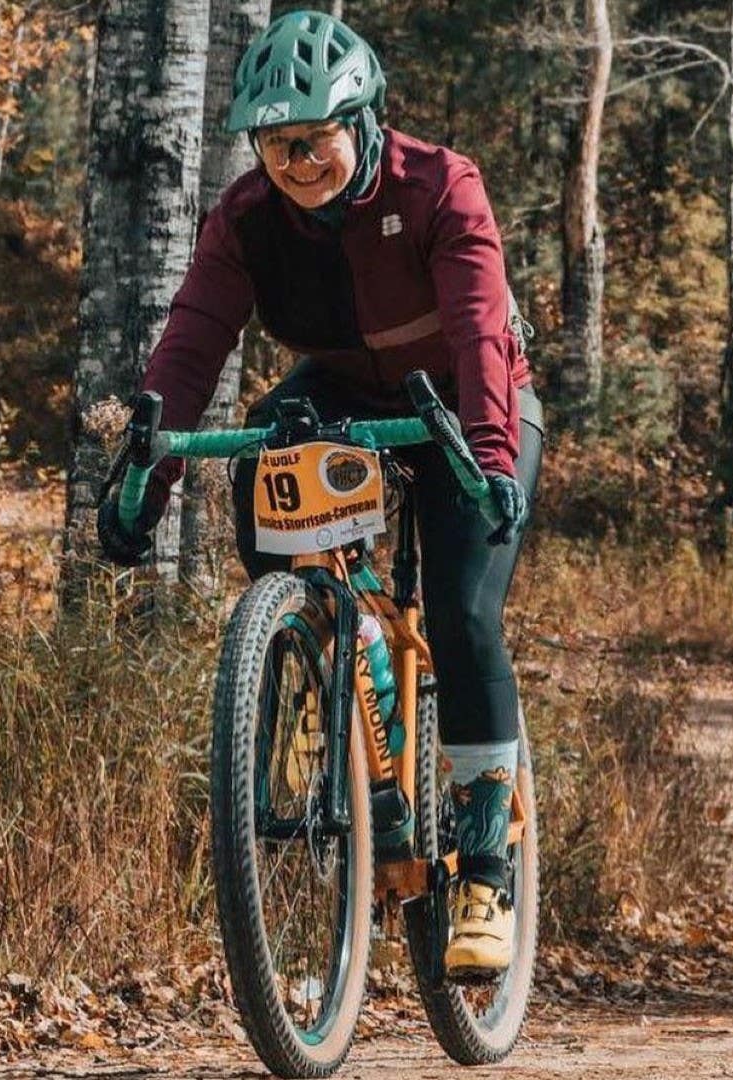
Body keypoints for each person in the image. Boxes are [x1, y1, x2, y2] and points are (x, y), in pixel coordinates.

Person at [97, 8, 544, 977]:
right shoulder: (249, 218)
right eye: (272, 146)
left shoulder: (440, 185)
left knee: (467, 614)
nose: (293, 163)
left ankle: (484, 870)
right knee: (265, 451)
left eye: (312, 141)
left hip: (469, 405)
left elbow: (475, 333)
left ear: (365, 121)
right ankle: (332, 655)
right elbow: (192, 341)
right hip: (341, 396)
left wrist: (493, 456)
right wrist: (147, 475)